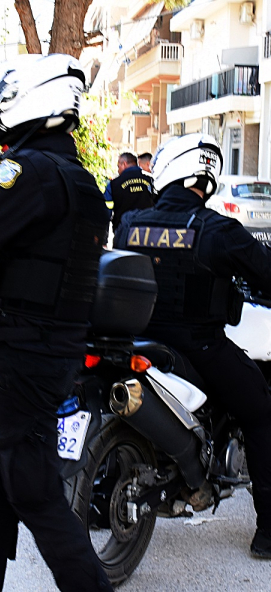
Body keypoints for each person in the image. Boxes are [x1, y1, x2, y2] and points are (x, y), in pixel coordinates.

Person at [0, 54, 113, 591]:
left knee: (34, 492)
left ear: (31, 100)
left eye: (1, 101)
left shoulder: (25, 171)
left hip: (25, 358)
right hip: (47, 355)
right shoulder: (78, 179)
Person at [115, 133, 271, 559]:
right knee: (260, 412)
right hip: (199, 347)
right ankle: (269, 531)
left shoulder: (130, 225)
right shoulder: (218, 231)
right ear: (205, 181)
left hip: (136, 343)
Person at [104, 152, 154, 233]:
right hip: (147, 232)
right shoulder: (151, 181)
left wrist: (104, 237)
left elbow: (106, 211)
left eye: (118, 166)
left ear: (124, 164)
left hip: (123, 232)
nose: (118, 169)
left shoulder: (114, 184)